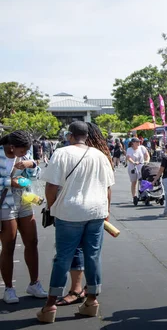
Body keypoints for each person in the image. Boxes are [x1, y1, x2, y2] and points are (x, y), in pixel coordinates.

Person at [37, 121, 115, 323]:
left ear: (70, 135)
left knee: (63, 257)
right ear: (87, 135)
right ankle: (91, 300)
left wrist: (51, 207)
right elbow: (108, 188)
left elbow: (51, 186)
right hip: (97, 210)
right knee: (93, 256)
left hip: (70, 211)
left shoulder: (62, 153)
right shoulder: (100, 155)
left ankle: (50, 304)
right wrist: (106, 211)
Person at [1, 131, 48, 304]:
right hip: (5, 203)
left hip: (25, 199)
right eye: (22, 151)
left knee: (32, 241)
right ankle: (9, 288)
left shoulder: (26, 155)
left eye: (27, 150)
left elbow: (35, 177)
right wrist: (8, 182)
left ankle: (34, 283)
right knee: (9, 245)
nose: (24, 153)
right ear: (12, 146)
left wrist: (32, 164)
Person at [126, 138, 150, 202]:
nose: (138, 143)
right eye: (136, 142)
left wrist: (147, 161)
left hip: (141, 167)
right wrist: (133, 162)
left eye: (139, 141)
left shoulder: (142, 148)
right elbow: (128, 157)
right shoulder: (129, 149)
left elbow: (147, 155)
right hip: (132, 168)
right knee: (134, 182)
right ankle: (134, 196)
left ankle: (143, 194)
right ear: (133, 143)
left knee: (142, 181)